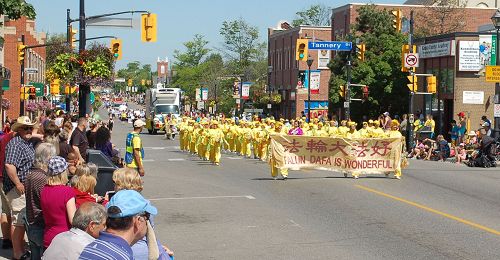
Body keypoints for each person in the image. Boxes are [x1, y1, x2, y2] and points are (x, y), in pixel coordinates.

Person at [78, 190, 157, 260]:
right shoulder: (122, 256)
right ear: (138, 221)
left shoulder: (90, 248)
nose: (148, 221)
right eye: (147, 216)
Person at [4, 116, 37, 259]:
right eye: (26, 128)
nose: (29, 130)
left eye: (30, 127)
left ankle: (21, 249)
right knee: (18, 219)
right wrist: (18, 183)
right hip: (17, 188)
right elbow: (9, 165)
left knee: (22, 219)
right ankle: (17, 253)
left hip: (24, 186)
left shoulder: (25, 142)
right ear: (19, 129)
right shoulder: (16, 144)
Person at [25, 143, 57, 259]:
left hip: (32, 223)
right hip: (39, 224)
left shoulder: (31, 174)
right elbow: (46, 202)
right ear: (48, 157)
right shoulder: (41, 177)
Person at [41, 156, 77, 248]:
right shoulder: (67, 191)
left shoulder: (43, 190)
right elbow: (73, 220)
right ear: (63, 173)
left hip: (48, 237)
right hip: (64, 238)